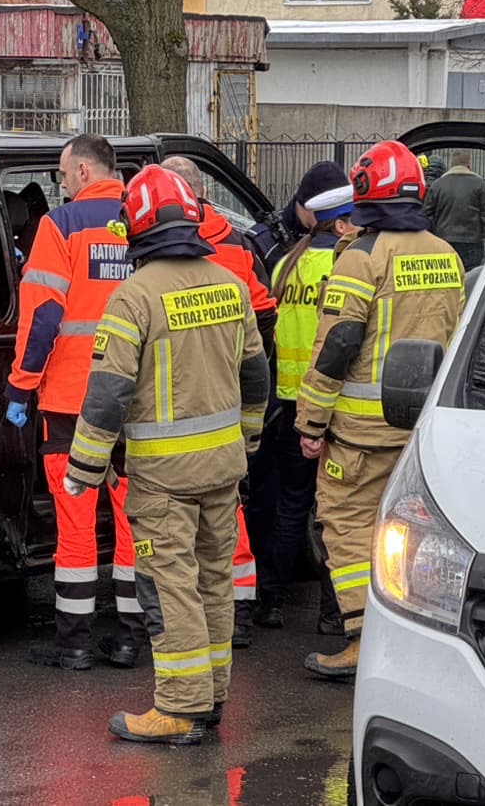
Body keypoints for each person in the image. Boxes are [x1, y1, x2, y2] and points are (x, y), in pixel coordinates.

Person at [63, 164, 268, 744]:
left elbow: (107, 394)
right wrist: (248, 441)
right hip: (224, 468)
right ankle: (212, 696)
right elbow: (257, 377)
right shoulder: (229, 284)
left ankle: (179, 706)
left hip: (162, 479)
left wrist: (84, 469)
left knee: (168, 582)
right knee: (212, 582)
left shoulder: (135, 296)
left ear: (137, 226)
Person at [296, 140, 466, 679]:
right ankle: (417, 637)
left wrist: (310, 422)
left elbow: (338, 345)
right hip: (421, 431)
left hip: (360, 432)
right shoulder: (447, 255)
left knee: (344, 526)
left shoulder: (361, 258)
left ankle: (361, 639)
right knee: (414, 532)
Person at [6, 134, 147, 670]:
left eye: (63, 174)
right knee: (134, 518)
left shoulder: (59, 226)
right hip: (136, 397)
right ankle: (132, 635)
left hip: (71, 398)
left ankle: (76, 643)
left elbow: (43, 316)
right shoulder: (144, 221)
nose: (60, 183)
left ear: (84, 171)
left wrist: (21, 385)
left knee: (76, 522)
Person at [161, 156, 277, 648]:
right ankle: (239, 612)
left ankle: (188, 624)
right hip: (229, 400)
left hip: (179, 400)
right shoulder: (235, 241)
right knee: (227, 512)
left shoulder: (160, 247)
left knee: (176, 525)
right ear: (203, 190)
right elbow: (263, 317)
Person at [254, 164, 354, 634]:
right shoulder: (343, 263)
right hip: (328, 401)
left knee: (290, 503)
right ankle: (335, 614)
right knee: (334, 511)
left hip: (285, 398)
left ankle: (269, 600)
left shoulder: (285, 262)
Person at [246, 163, 327, 275]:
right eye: (326, 208)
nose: (331, 217)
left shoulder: (331, 235)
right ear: (306, 203)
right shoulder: (260, 243)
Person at [423, 149, 485, 270]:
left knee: (446, 275)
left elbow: (426, 213)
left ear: (451, 164)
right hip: (472, 241)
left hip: (443, 240)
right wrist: (484, 234)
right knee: (469, 277)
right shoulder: (479, 184)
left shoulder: (438, 184)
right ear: (469, 164)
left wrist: (433, 233)